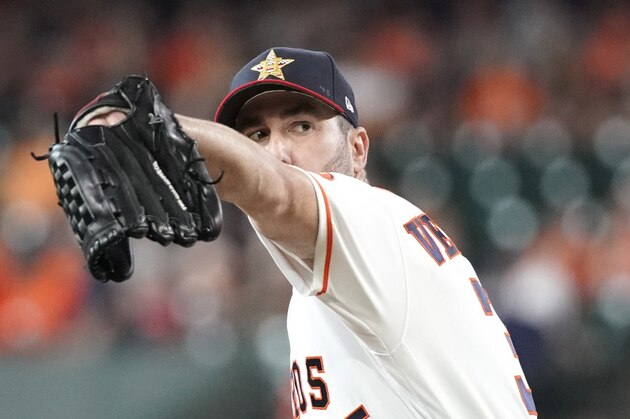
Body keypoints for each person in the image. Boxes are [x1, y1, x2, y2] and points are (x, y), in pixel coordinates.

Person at [92, 47, 537, 418]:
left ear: (357, 148)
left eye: (300, 126)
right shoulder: (326, 283)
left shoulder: (369, 221)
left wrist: (150, 133)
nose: (277, 152)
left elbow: (278, 191)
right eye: (256, 136)